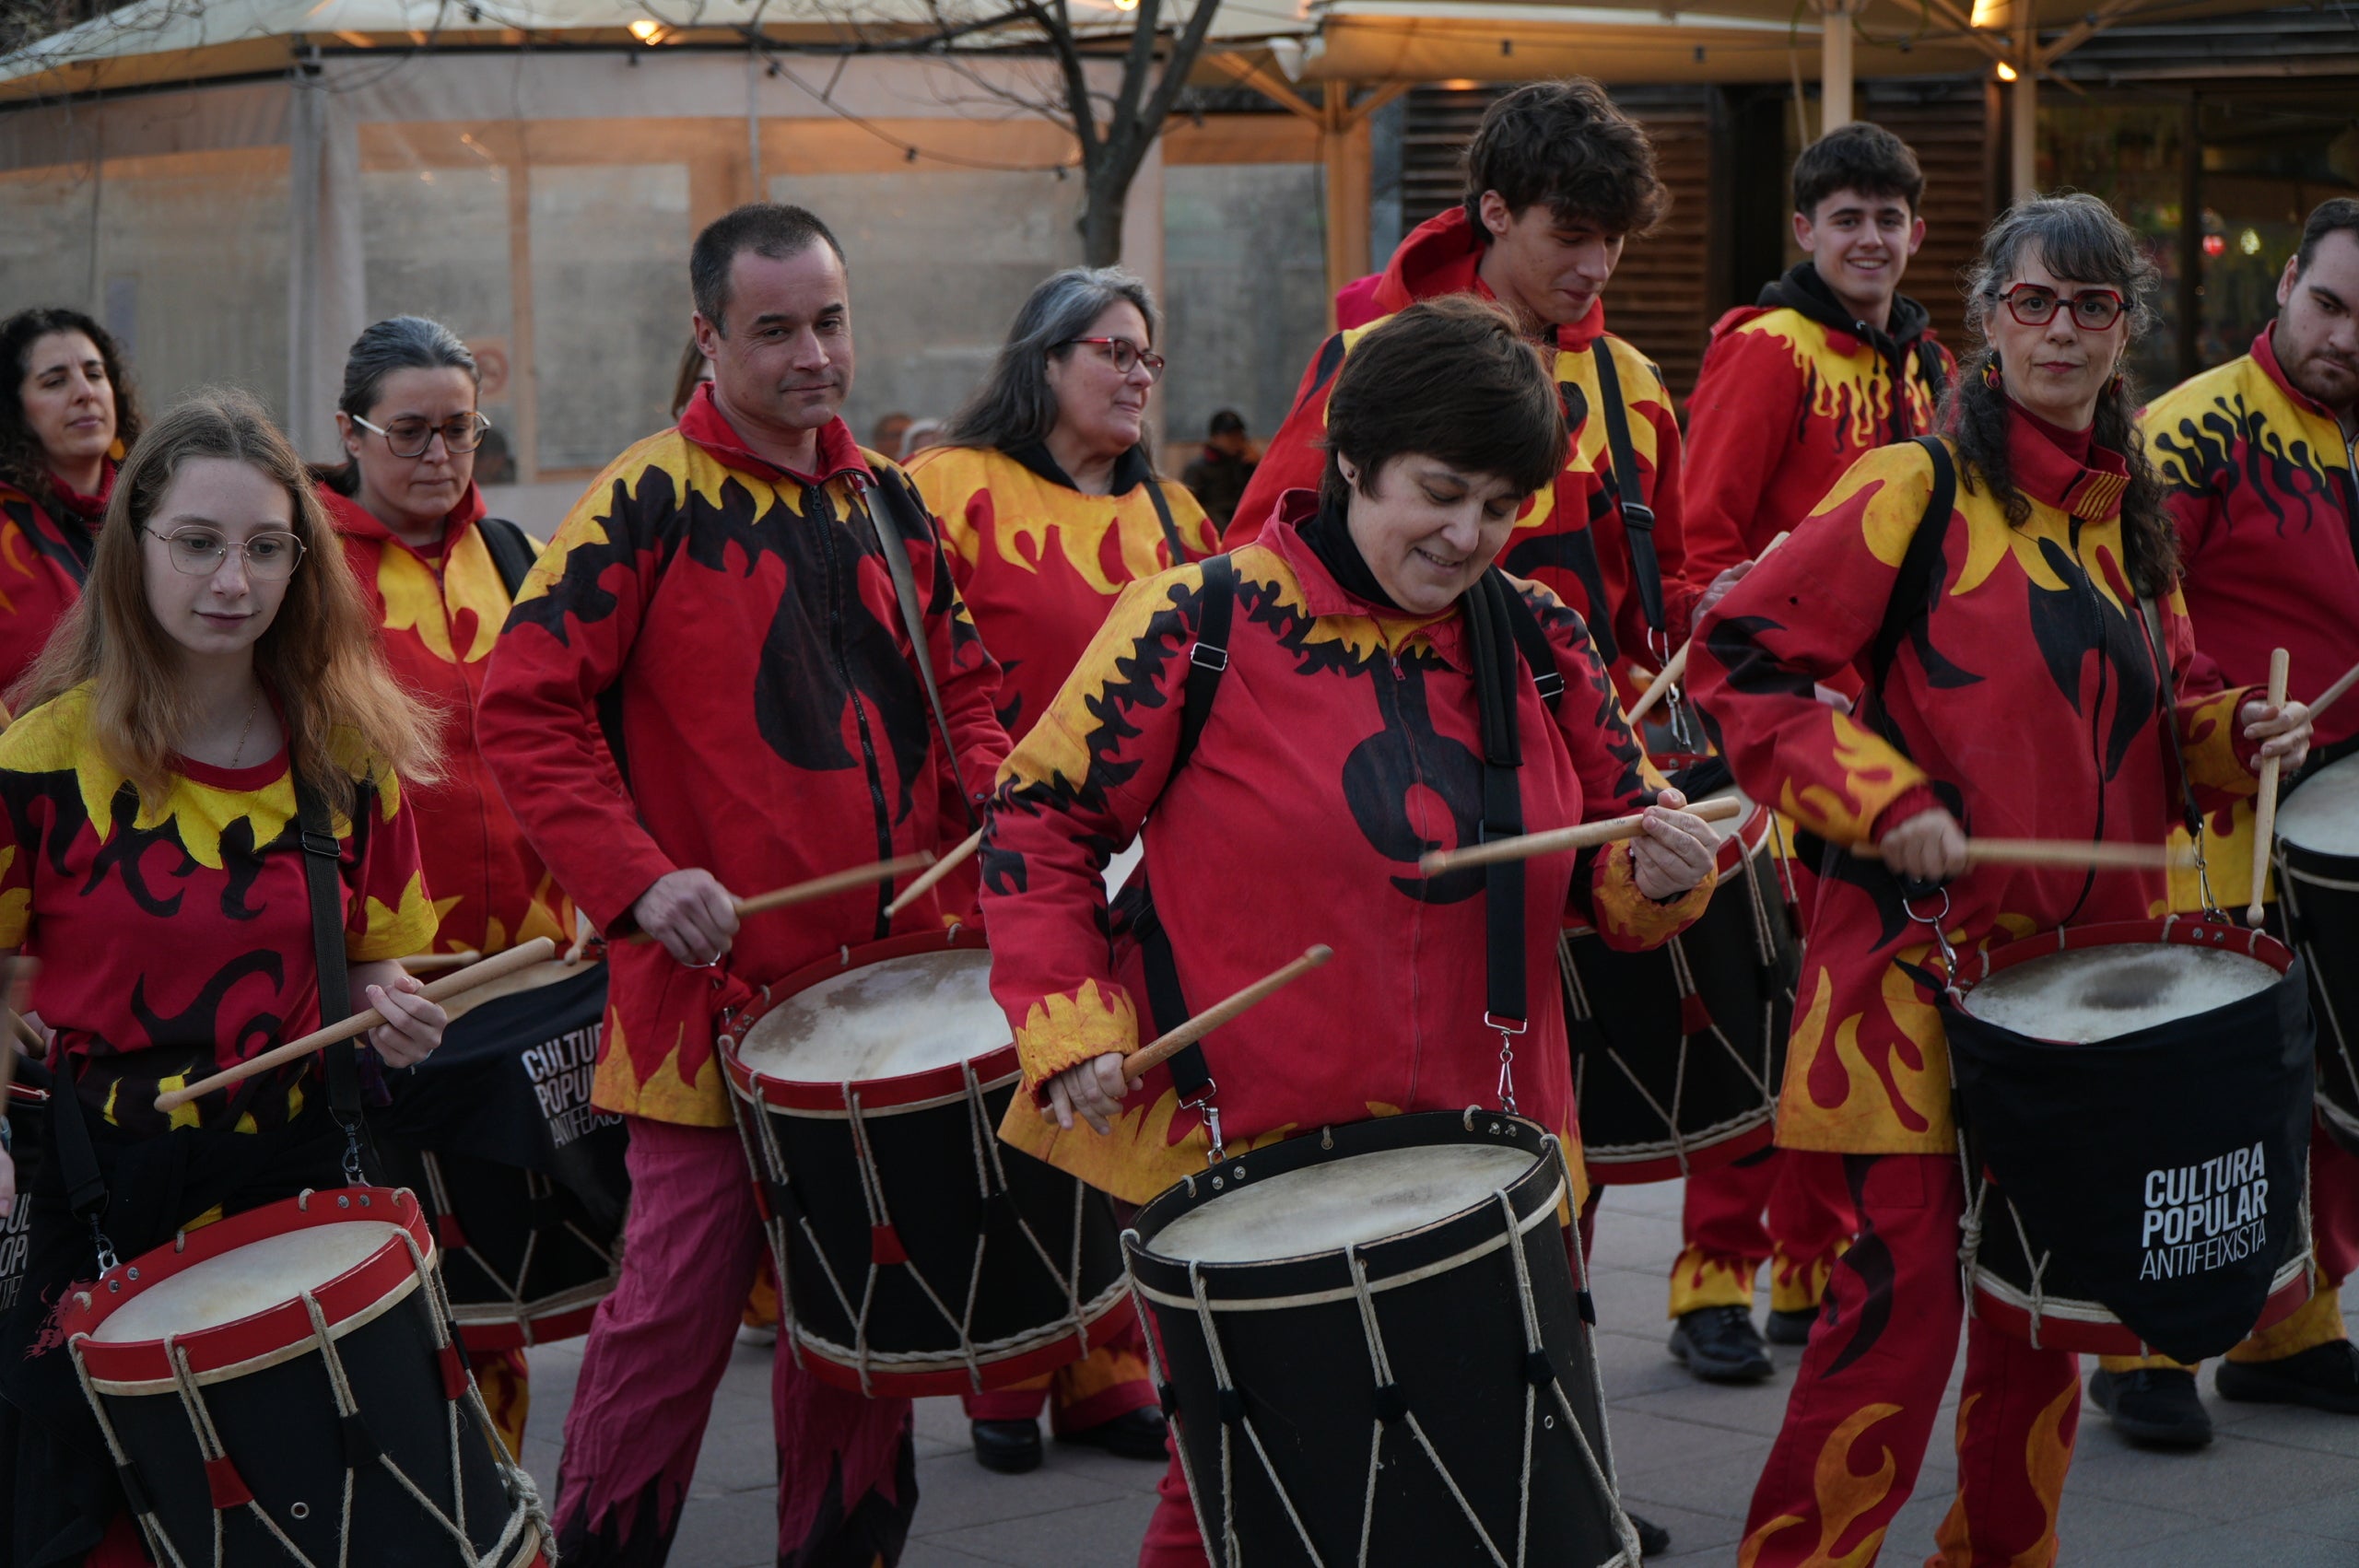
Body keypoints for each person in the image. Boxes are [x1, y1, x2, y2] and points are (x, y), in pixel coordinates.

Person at [980, 295, 1721, 1568]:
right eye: (1438, 491)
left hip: (1491, 1150)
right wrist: (1070, 1021)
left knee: (1492, 1496)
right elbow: (1039, 820)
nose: (1466, 533)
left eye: (1499, 505)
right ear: (1354, 459)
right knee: (1239, 1499)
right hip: (1252, 1154)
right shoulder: (1195, 619)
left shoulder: (1542, 638)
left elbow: (1617, 859)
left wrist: (1664, 866)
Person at [1690, 193, 2314, 1564]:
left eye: (2094, 307)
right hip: (1911, 983)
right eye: (2036, 301)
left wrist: (2238, 735)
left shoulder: (2131, 510)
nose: (2063, 331)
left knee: (2046, 1324)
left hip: (2086, 999)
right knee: (1896, 1323)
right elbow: (1739, 653)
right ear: (1988, 312)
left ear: (2123, 330)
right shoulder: (1911, 483)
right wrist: (1882, 795)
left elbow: (2182, 713)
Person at [476, 202, 1009, 1568]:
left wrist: (1008, 808)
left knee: (857, 1317)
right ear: (708, 337)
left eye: (829, 320)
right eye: (774, 330)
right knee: (670, 1312)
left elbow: (965, 694)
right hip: (702, 992)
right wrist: (642, 881)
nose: (812, 354)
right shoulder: (644, 494)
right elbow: (524, 710)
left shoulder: (889, 496)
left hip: (884, 996)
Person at [0, 390, 448, 1566]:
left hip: (302, 1184)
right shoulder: (36, 762)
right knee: (86, 1529)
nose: (232, 581)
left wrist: (388, 1007)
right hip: (105, 1189)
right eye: (197, 543)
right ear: (133, 542)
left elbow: (375, 956)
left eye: (263, 548)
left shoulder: (349, 751)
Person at [1655, 122, 1957, 1385]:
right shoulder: (1767, 350)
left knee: (1835, 1014)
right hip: (1775, 730)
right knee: (1756, 1001)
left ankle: (1806, 1261)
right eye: (1848, 218)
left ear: (1915, 233)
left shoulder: (1930, 361)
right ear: (1806, 231)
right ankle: (1710, 1278)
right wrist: (1768, 707)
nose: (1871, 238)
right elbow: (1701, 545)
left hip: (1877, 749)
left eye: (1889, 217)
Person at [905, 266, 1210, 1476]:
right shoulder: (946, 489)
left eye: (1149, 358)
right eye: (1114, 351)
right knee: (1013, 1118)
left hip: (1136, 860)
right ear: (1044, 361)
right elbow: (908, 662)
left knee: (1117, 1099)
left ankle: (1107, 1363)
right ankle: (1007, 1363)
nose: (1138, 374)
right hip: (992, 853)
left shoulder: (1182, 519)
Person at [2086, 196, 2359, 1448]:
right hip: (2219, 808)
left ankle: (2287, 1325)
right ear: (2289, 279)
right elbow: (2132, 622)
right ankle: (2144, 1344)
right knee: (2200, 1090)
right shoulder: (2193, 428)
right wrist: (2222, 725)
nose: (2345, 338)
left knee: (2339, 1088)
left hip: (2341, 817)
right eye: (2331, 305)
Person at [317, 313, 585, 1457]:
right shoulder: (302, 572)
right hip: (389, 976)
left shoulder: (521, 555)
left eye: (461, 431)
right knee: (401, 1267)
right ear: (350, 432)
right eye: (410, 432)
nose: (438, 456)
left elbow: (568, 734)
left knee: (498, 1278)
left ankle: (498, 1503)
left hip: (524, 964)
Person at [1229, 78, 1699, 705]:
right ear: (1496, 211)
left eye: (1612, 240)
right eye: (1570, 237)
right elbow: (1257, 566)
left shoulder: (1636, 383)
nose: (1598, 267)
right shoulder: (1367, 357)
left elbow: (1653, 605)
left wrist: (1722, 613)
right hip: (1399, 739)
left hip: (1594, 750)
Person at [0, 309, 144, 698]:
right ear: (16, 411)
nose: (85, 392)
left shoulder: (160, 503)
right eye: (55, 382)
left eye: (95, 374)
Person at [1177, 409, 1257, 528]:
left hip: (1242, 516)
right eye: (1229, 435)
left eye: (1238, 435)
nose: (1235, 440)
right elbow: (1187, 506)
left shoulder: (1246, 463)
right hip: (1216, 521)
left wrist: (1260, 465)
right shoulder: (1198, 468)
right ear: (1214, 438)